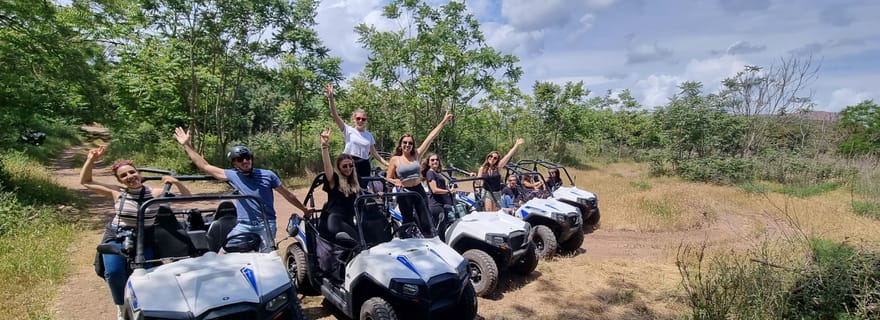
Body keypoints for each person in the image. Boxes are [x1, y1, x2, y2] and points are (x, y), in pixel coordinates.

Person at [80, 145, 191, 320]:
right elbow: (86, 181)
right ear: (120, 181)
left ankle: (146, 305)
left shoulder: (153, 192)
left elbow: (186, 199)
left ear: (138, 173)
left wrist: (176, 182)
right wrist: (91, 159)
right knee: (114, 272)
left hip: (144, 237)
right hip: (117, 236)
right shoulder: (117, 192)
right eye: (123, 176)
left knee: (146, 274)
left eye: (132, 172)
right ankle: (121, 305)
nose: (129, 177)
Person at [174, 127, 313, 253]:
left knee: (267, 259)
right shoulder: (232, 175)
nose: (245, 161)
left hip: (266, 223)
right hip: (244, 225)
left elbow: (288, 195)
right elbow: (204, 165)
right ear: (234, 163)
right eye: (240, 159)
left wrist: (304, 210)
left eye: (247, 158)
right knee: (222, 254)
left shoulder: (268, 175)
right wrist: (187, 144)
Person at [386, 112, 454, 237]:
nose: (407, 145)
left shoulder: (416, 155)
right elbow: (388, 177)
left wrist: (443, 122)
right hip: (404, 192)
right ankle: (407, 242)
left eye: (410, 143)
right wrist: (395, 181)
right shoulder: (395, 159)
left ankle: (429, 240)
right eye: (405, 142)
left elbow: (431, 137)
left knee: (425, 219)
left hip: (418, 190)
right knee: (408, 220)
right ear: (401, 144)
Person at [326, 84, 389, 188]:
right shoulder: (348, 130)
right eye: (358, 118)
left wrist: (387, 164)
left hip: (364, 165)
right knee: (347, 190)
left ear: (366, 121)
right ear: (354, 119)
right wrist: (331, 98)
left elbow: (374, 154)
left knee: (362, 192)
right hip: (349, 163)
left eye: (363, 119)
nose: (360, 121)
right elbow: (335, 115)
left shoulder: (369, 135)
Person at [319, 127, 359, 242]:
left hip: (350, 221)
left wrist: (377, 195)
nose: (348, 168)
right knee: (358, 244)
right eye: (344, 166)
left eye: (350, 165)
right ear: (339, 168)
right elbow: (327, 168)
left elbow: (364, 194)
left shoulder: (354, 181)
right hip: (336, 222)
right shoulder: (335, 180)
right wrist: (324, 147)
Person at [476, 138, 524, 211]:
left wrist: (516, 145)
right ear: (488, 157)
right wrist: (474, 177)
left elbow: (508, 155)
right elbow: (478, 182)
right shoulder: (482, 169)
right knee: (489, 212)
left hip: (497, 192)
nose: (492, 159)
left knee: (496, 213)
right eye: (491, 156)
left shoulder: (498, 167)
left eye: (495, 158)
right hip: (487, 192)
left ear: (497, 160)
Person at [421, 153, 455, 233]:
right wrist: (448, 191)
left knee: (444, 228)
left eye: (436, 160)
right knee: (441, 230)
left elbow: (440, 187)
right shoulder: (430, 173)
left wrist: (449, 188)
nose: (435, 161)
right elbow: (434, 190)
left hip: (442, 204)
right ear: (429, 163)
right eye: (432, 160)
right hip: (436, 205)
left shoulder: (437, 173)